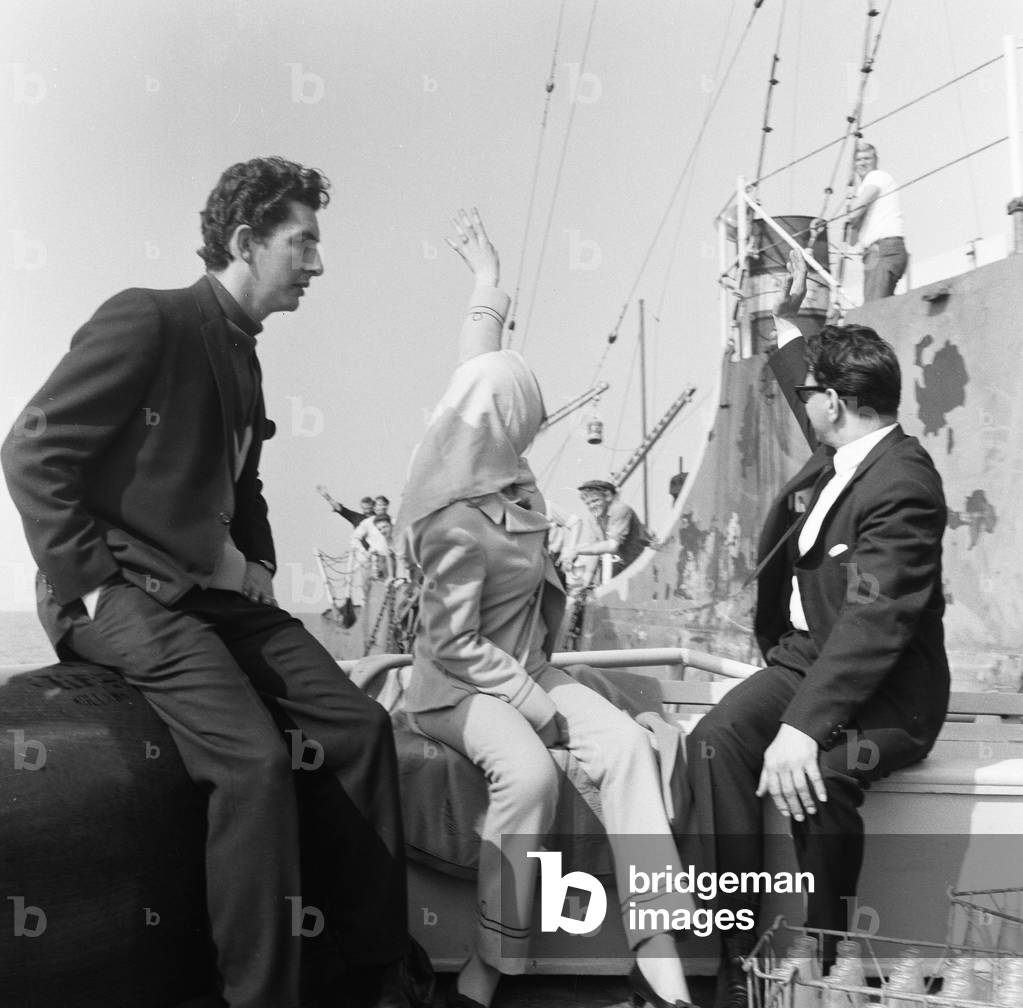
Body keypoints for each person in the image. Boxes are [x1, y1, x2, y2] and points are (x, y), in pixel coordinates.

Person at [1, 157, 418, 1008]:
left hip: (214, 598)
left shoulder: (246, 356)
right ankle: (261, 995)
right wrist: (86, 585)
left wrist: (258, 565)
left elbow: (245, 486)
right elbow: (31, 452)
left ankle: (369, 972)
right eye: (302, 242)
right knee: (253, 763)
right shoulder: (147, 319)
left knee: (359, 727)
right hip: (120, 591)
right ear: (243, 241)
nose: (317, 264)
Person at [397, 209, 696, 1008]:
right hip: (458, 689)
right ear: (503, 426)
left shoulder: (496, 459)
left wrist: (486, 280)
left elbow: (478, 364)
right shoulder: (454, 521)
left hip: (524, 666)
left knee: (631, 751)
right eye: (523, 419)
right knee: (528, 776)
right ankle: (487, 967)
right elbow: (453, 645)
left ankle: (662, 967)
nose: (530, 430)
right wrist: (542, 714)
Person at [687, 250, 949, 1008]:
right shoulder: (841, 450)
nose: (803, 406)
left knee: (823, 773)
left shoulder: (901, 483)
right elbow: (806, 369)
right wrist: (795, 320)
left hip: (887, 686)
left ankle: (825, 958)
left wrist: (803, 727)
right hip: (807, 656)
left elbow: (877, 617)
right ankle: (734, 948)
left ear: (834, 403)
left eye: (811, 398)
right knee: (714, 740)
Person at [845, 140, 908, 302]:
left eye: (867, 158)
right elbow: (852, 240)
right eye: (859, 160)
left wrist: (852, 206)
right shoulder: (863, 188)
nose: (863, 163)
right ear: (854, 164)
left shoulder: (877, 176)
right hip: (875, 254)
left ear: (875, 161)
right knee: (876, 306)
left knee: (874, 309)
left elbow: (854, 213)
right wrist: (853, 209)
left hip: (883, 250)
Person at [559, 479, 651, 581]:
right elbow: (595, 548)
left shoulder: (620, 509)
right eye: (588, 504)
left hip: (640, 562)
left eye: (595, 501)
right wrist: (588, 575)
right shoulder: (594, 518)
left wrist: (577, 551)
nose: (592, 506)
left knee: (610, 565)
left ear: (607, 497)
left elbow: (612, 546)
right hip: (621, 564)